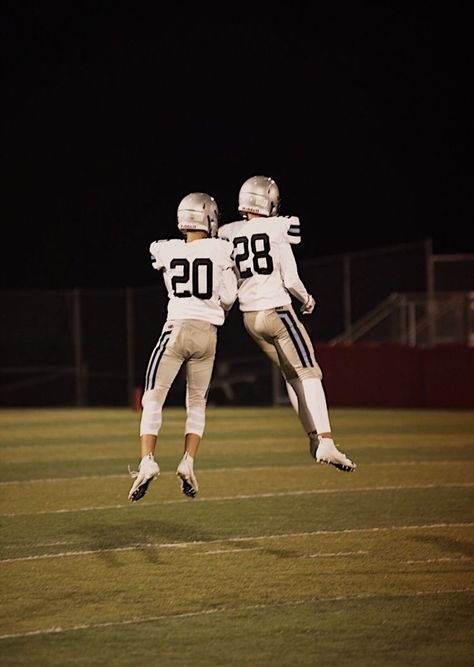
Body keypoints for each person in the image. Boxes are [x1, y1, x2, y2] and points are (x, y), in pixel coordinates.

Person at [218, 175, 356, 472]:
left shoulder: (229, 231)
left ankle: (313, 438)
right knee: (309, 374)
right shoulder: (278, 228)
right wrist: (306, 299)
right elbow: (290, 278)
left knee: (291, 376)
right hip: (277, 311)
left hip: (249, 318)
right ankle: (327, 441)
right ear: (267, 201)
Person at [128, 192, 238, 501]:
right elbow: (229, 298)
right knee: (197, 404)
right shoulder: (221, 249)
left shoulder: (165, 249)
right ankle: (188, 461)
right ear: (209, 218)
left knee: (153, 397)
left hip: (176, 330)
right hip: (208, 335)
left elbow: (163, 268)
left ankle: (148, 461)